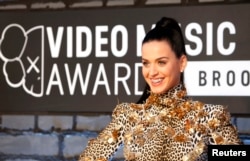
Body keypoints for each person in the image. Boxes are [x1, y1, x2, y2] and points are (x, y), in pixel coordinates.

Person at [78, 17, 242, 161]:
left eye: (161, 62)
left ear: (182, 62)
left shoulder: (208, 118)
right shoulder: (129, 116)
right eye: (146, 63)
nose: (152, 72)